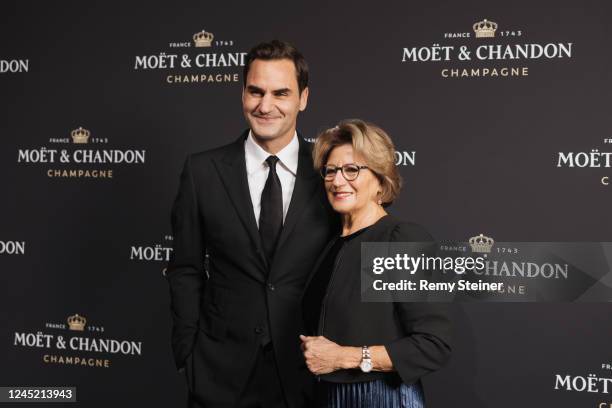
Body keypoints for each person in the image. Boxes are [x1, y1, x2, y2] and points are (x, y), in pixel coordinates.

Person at [166, 40, 337, 408]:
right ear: (242, 93)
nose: (265, 105)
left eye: (281, 93)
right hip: (219, 373)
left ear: (303, 98)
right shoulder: (202, 172)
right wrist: (188, 355)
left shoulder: (331, 172)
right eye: (255, 91)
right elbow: (185, 269)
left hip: (309, 374)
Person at [301, 119, 452, 407]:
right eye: (330, 171)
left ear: (381, 179)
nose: (337, 180)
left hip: (381, 398)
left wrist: (345, 357)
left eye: (352, 170)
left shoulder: (398, 240)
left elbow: (433, 345)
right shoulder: (330, 246)